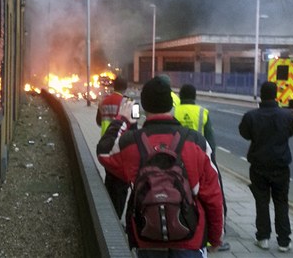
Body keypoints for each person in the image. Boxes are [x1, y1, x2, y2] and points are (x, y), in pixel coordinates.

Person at [97, 76, 224, 257]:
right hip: (190, 241)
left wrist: (122, 119)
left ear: (143, 108)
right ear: (172, 106)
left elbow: (104, 152)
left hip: (146, 239)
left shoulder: (131, 143)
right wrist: (216, 237)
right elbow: (213, 197)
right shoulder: (197, 143)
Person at [238, 81, 293, 253]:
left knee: (261, 201)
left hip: (258, 165)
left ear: (261, 95)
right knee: (281, 202)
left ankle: (263, 237)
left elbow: (244, 133)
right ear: (276, 95)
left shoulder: (251, 116)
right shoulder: (288, 115)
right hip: (281, 165)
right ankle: (284, 241)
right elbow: (292, 131)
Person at [174, 83, 230, 252]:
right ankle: (215, 235)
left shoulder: (174, 111)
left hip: (177, 159)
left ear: (180, 96)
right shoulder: (201, 113)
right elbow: (211, 143)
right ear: (195, 96)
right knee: (213, 198)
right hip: (199, 159)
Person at [95, 76, 130, 218]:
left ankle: (108, 211)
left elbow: (98, 121)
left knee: (109, 179)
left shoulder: (103, 101)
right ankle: (117, 215)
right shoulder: (129, 103)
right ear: (125, 87)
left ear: (113, 86)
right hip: (122, 147)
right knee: (121, 184)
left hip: (105, 145)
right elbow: (134, 126)